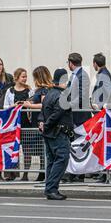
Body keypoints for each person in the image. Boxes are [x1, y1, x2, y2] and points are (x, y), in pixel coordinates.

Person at [39, 68, 73, 200]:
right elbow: (57, 114)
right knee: (61, 159)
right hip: (58, 133)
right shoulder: (62, 95)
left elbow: (42, 111)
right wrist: (46, 125)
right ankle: (51, 189)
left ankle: (50, 188)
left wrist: (42, 123)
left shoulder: (49, 94)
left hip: (50, 133)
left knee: (52, 161)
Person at [20, 66, 53, 182]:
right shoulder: (41, 89)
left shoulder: (44, 90)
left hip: (40, 121)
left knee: (42, 149)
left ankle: (43, 173)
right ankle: (41, 172)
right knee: (39, 149)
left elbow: (44, 104)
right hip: (36, 122)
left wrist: (30, 105)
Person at [64, 53, 91, 183]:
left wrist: (68, 105)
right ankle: (74, 173)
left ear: (70, 62)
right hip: (74, 116)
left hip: (80, 116)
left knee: (79, 145)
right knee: (75, 145)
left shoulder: (82, 76)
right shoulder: (75, 75)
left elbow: (82, 96)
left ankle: (79, 174)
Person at [3, 68, 34, 181]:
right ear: (16, 78)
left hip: (26, 123)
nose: (25, 79)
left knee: (27, 150)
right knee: (12, 149)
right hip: (13, 124)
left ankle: (25, 174)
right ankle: (12, 173)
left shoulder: (30, 90)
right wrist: (14, 106)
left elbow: (33, 103)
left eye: (26, 76)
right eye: (23, 77)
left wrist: (28, 104)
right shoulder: (10, 91)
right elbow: (5, 106)